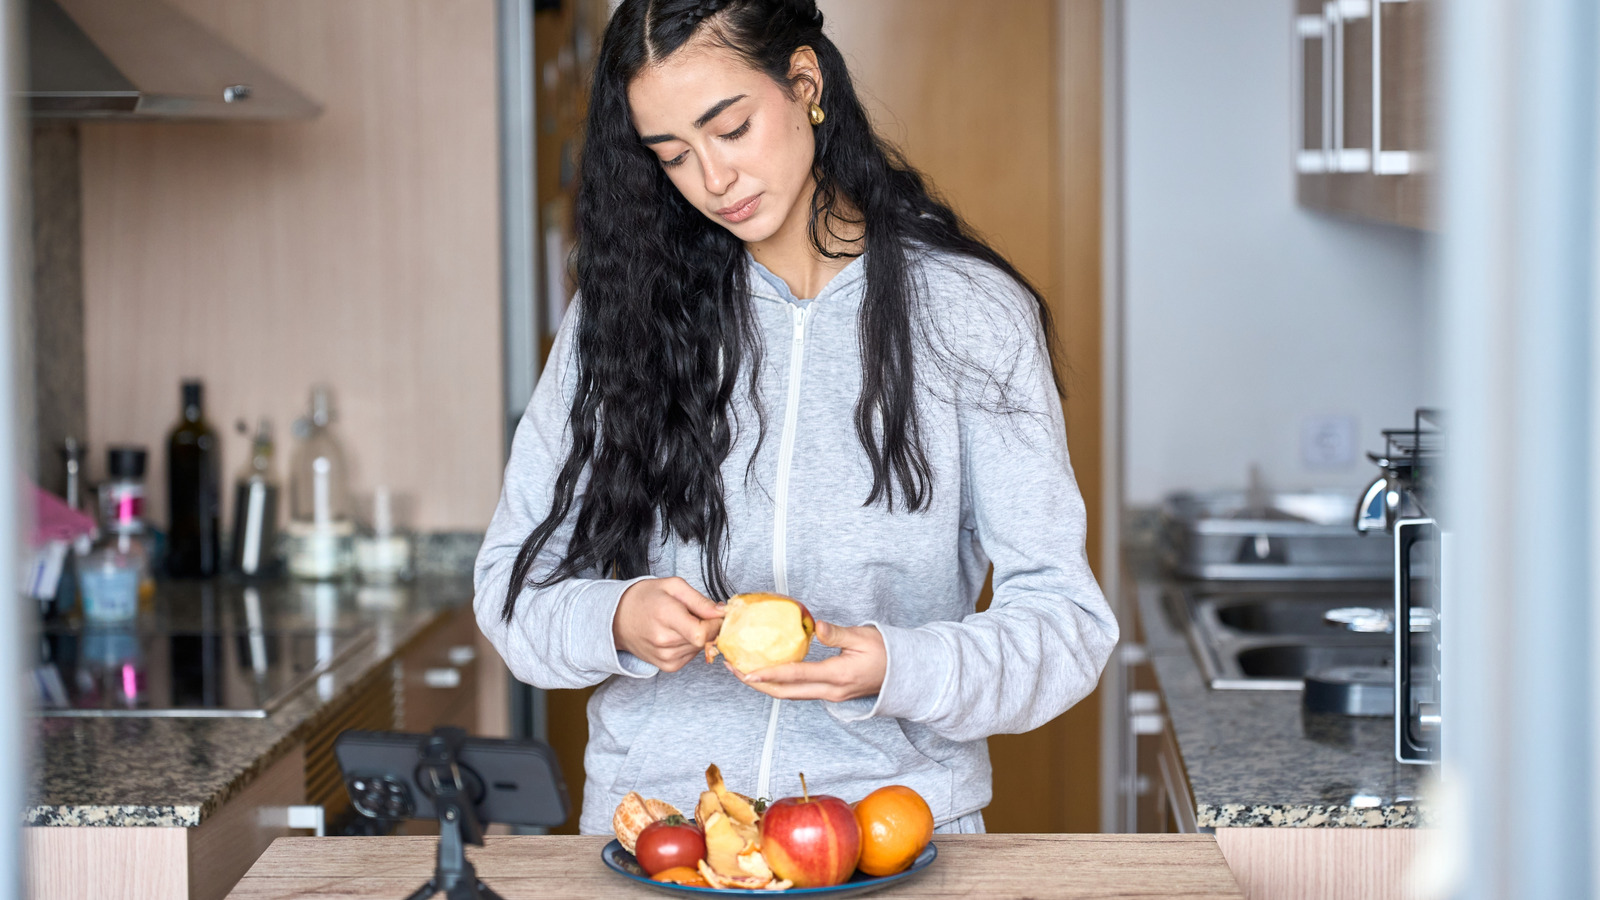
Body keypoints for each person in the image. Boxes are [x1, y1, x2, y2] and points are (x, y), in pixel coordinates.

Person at [474, 0, 1118, 837]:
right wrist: (618, 617)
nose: (713, 180)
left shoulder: (970, 312)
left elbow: (1066, 625)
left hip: (892, 834)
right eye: (674, 156)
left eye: (731, 129)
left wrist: (899, 666)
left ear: (804, 83)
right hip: (664, 833)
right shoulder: (619, 317)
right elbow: (512, 591)